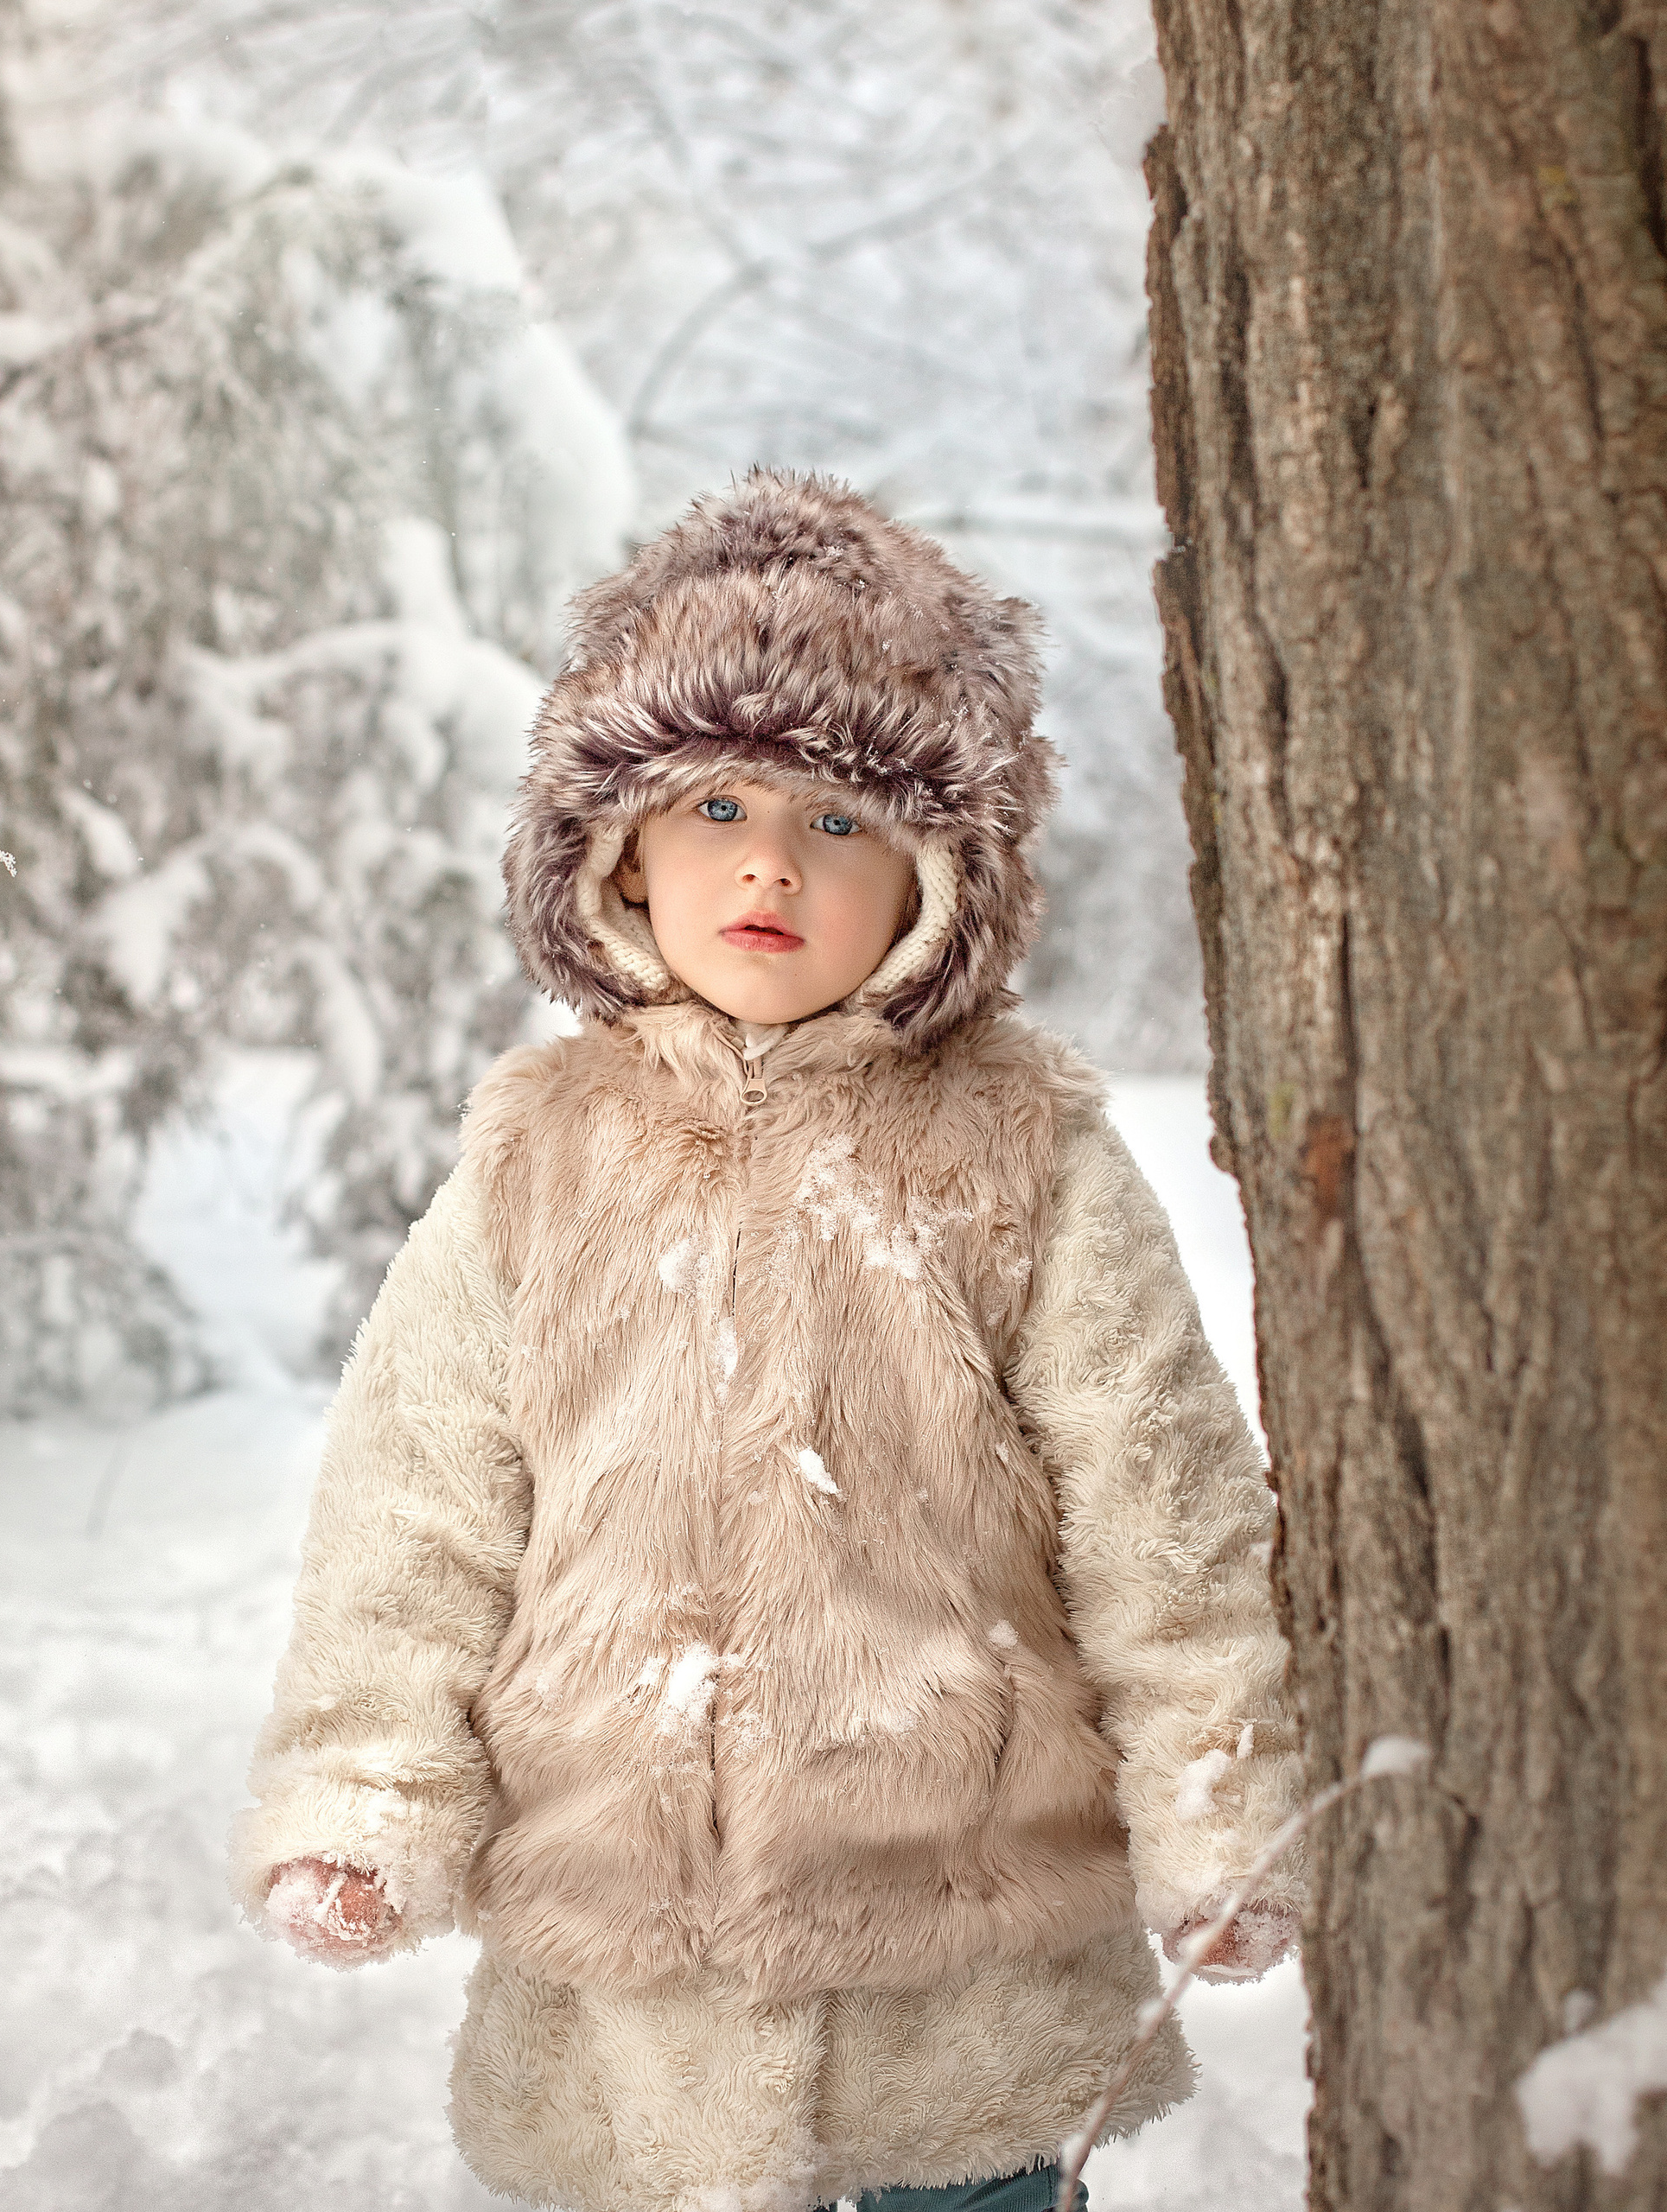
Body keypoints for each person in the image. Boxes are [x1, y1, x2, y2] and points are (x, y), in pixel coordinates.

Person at [232, 470, 1305, 2212]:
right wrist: (366, 1786)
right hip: (625, 1973)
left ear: (935, 875)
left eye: (834, 821)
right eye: (716, 799)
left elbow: (1155, 1497)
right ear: (617, 849)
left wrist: (1216, 1791)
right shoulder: (535, 1154)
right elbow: (413, 1499)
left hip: (959, 1959)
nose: (763, 861)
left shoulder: (1020, 1148)